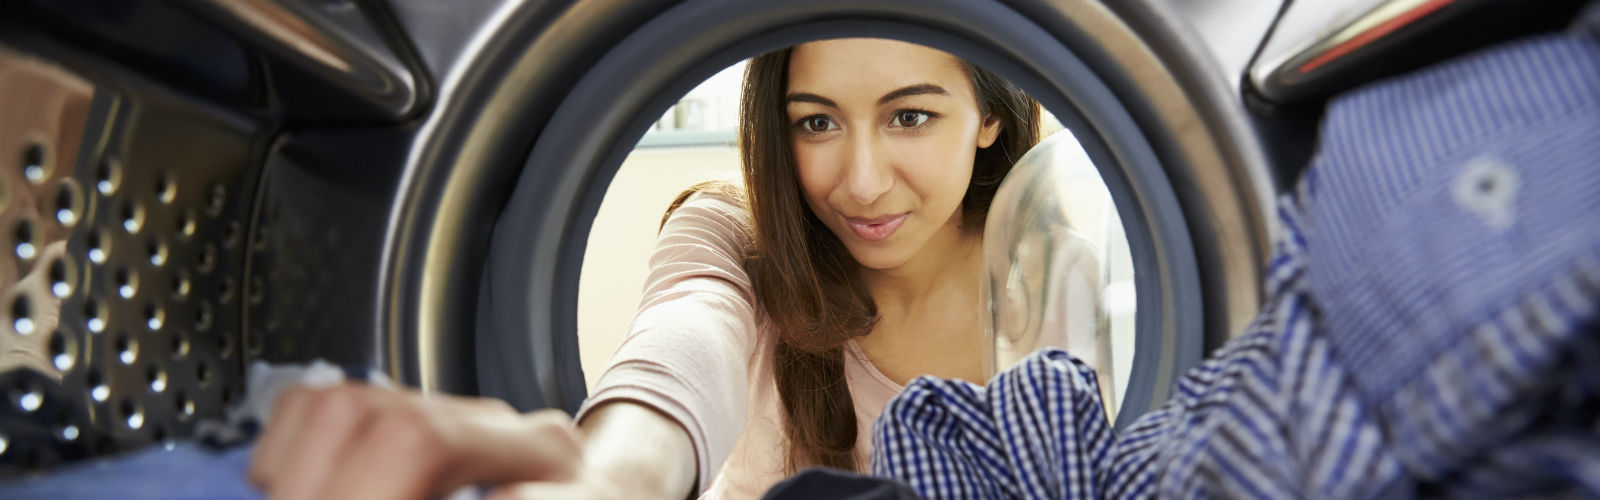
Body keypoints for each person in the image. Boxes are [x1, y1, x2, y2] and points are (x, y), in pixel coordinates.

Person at [248, 38, 1042, 499]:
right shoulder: (733, 234)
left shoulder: (1061, 268)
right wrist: (597, 483)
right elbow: (681, 348)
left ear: (989, 117)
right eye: (817, 122)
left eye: (911, 116)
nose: (862, 180)